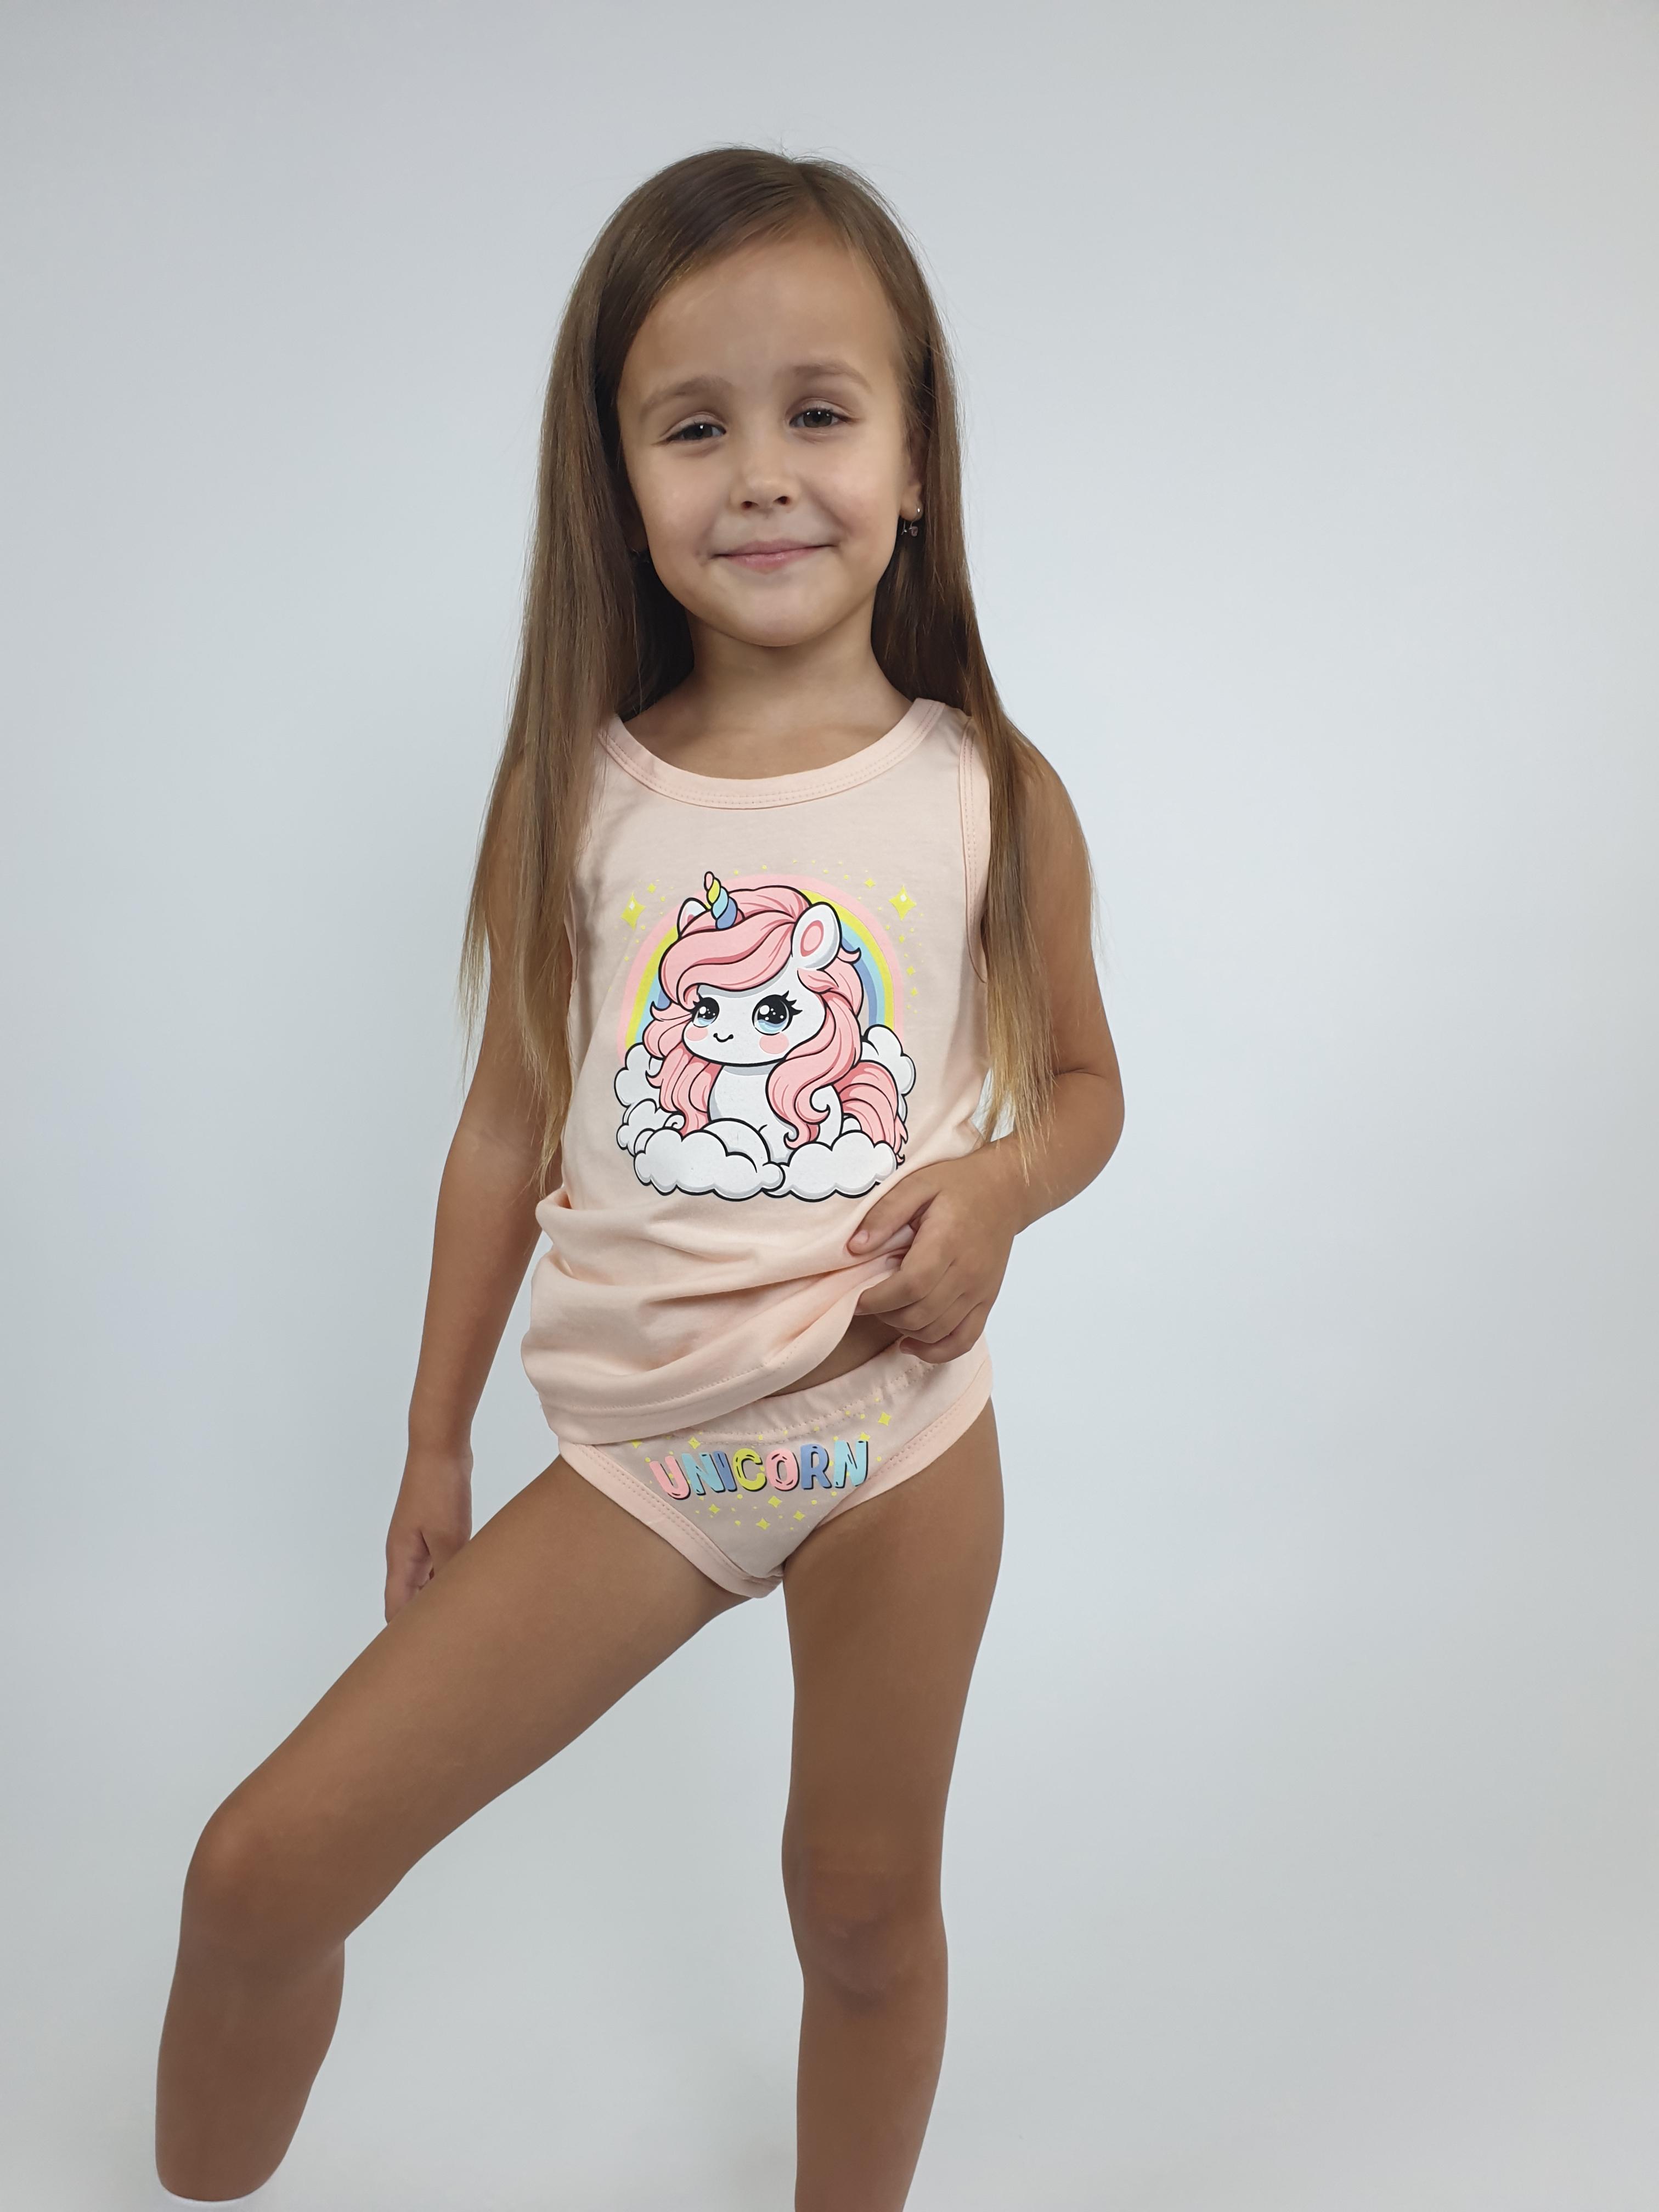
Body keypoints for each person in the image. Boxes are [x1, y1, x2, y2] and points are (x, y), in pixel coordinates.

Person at [153, 145, 1125, 2211]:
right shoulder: (578, 789)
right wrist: (435, 1441)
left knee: (861, 1912)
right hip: (645, 1465)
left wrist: (997, 1191)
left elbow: (1084, 1088)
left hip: (893, 1435)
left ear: (916, 462)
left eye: (820, 412)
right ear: (617, 475)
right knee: (256, 1872)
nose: (762, 474)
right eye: (696, 426)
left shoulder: (989, 791)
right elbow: (505, 1130)